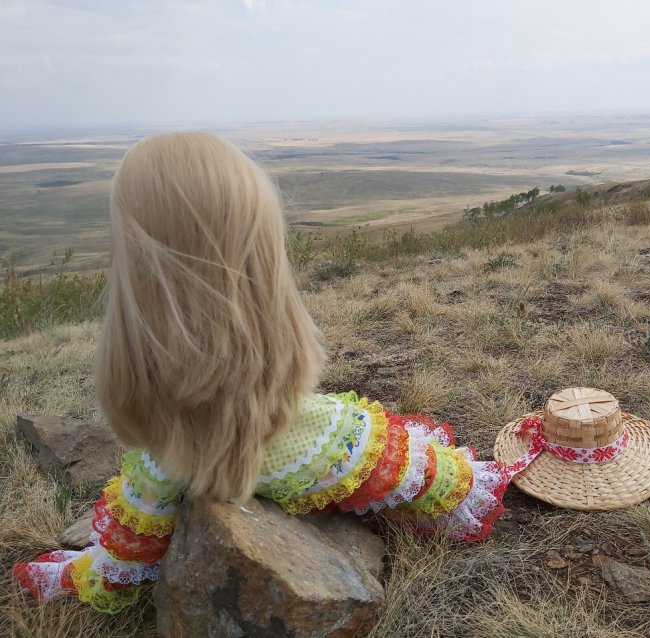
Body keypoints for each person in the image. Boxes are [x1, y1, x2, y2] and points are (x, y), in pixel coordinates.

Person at [13, 132, 509, 614]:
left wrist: (68, 577)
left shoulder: (155, 474)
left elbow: (118, 567)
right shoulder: (330, 439)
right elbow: (446, 481)